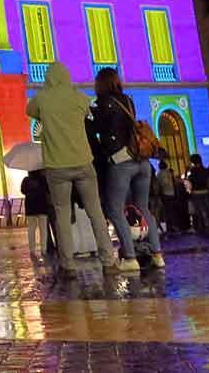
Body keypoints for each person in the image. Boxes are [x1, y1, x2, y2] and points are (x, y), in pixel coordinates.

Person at [25, 62, 118, 276]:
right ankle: (108, 260)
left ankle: (68, 265)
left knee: (62, 215)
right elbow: (88, 111)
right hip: (84, 162)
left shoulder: (42, 100)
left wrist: (46, 95)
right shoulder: (79, 98)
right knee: (96, 212)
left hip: (57, 166)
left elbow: (29, 110)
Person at [88, 68, 163, 272]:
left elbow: (102, 130)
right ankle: (157, 253)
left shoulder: (103, 104)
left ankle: (130, 257)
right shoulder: (127, 100)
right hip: (142, 160)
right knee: (143, 207)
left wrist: (89, 116)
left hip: (122, 161)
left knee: (115, 208)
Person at [21, 170, 51, 260]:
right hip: (42, 205)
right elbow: (48, 190)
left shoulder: (26, 180)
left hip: (30, 206)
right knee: (43, 229)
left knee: (31, 229)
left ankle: (32, 250)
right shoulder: (43, 179)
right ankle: (44, 249)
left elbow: (23, 190)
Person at [186, 155, 209, 236]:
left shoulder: (191, 172)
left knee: (200, 211)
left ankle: (203, 227)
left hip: (196, 193)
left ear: (192, 162)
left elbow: (188, 184)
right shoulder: (206, 170)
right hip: (206, 191)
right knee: (208, 209)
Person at [156, 160, 179, 234]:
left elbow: (162, 184)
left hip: (165, 194)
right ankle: (174, 226)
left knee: (166, 211)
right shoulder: (169, 172)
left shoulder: (160, 174)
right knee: (172, 211)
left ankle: (169, 227)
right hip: (172, 193)